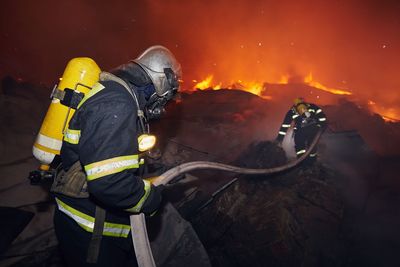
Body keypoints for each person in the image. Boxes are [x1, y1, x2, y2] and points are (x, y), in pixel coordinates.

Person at [51, 45, 182, 266]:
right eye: (167, 96)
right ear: (161, 80)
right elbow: (109, 182)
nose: (164, 104)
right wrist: (150, 198)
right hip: (90, 230)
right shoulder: (117, 103)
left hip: (95, 224)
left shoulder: (118, 96)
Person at [275, 97, 327, 164]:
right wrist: (320, 127)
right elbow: (322, 118)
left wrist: (279, 139)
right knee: (312, 147)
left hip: (300, 133)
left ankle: (302, 163)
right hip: (313, 131)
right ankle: (312, 163)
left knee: (300, 149)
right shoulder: (312, 106)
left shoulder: (292, 111)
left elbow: (285, 126)